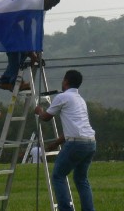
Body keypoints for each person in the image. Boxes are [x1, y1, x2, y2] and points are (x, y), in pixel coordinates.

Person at [35, 70, 96, 211]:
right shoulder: (80, 100)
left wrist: (39, 111)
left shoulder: (62, 97)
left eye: (63, 80)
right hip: (91, 142)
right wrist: (56, 143)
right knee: (81, 179)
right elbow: (74, 128)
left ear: (66, 81)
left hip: (76, 143)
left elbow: (46, 117)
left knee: (58, 175)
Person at [0, 0, 61, 91]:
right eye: (51, 5)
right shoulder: (32, 3)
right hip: (2, 22)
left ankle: (6, 80)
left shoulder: (40, 10)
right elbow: (28, 29)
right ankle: (13, 82)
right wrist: (32, 52)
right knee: (17, 48)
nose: (50, 8)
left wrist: (36, 51)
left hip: (12, 24)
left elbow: (38, 31)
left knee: (23, 51)